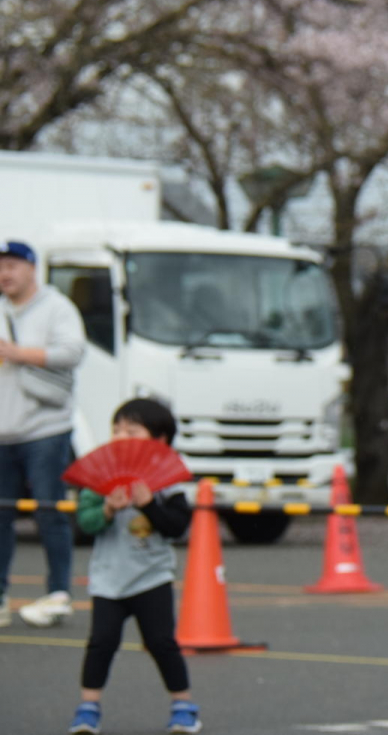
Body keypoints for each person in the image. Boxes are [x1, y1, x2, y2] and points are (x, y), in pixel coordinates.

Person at [69, 398, 201, 734]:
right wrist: (108, 511)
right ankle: (88, 708)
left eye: (131, 430)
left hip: (152, 577)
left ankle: (183, 705)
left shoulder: (170, 479)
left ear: (160, 440)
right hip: (108, 579)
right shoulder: (101, 472)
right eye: (116, 429)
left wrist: (148, 506)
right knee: (101, 642)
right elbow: (85, 523)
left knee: (161, 642)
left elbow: (177, 526)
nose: (120, 435)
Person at [0, 240, 85, 628]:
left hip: (46, 428)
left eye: (13, 265)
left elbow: (73, 351)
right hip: (4, 430)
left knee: (50, 511)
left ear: (32, 268)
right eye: (1, 265)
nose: (5, 273)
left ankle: (58, 593)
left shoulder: (56, 306)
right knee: (1, 515)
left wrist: (18, 352)